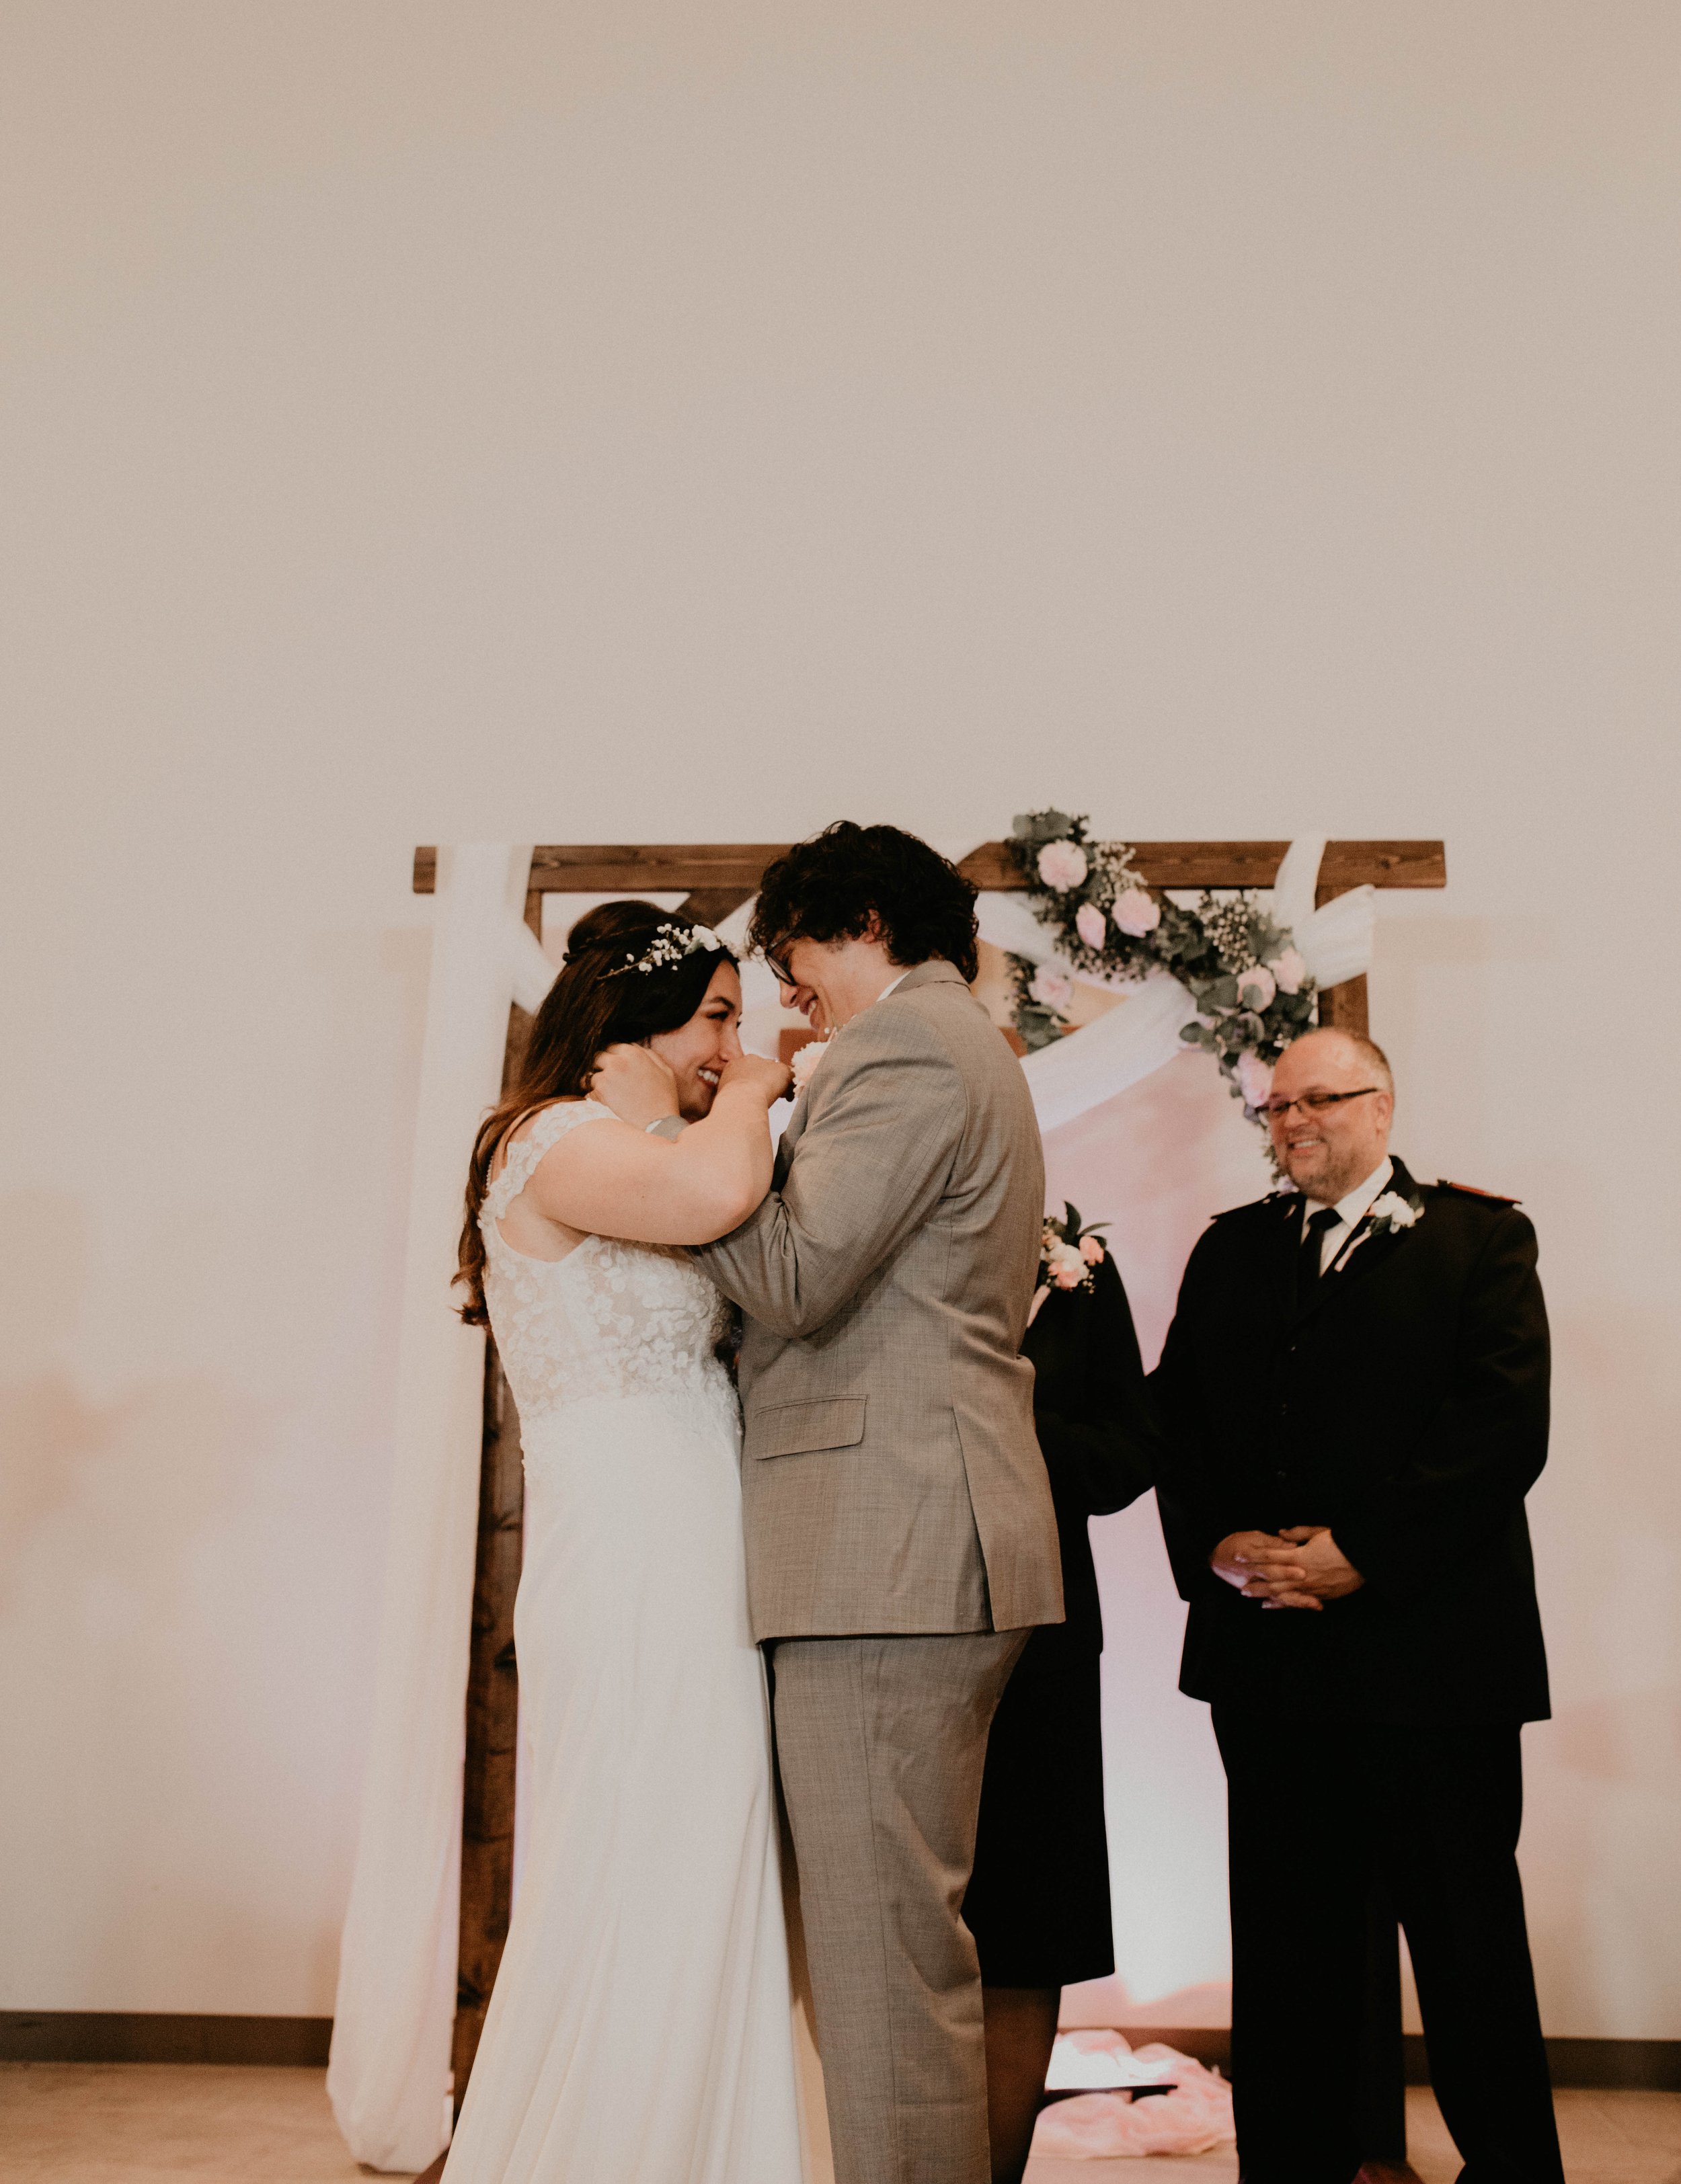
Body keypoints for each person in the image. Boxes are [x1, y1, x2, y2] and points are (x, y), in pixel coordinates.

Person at [601, 823, 1064, 2184]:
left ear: (859, 917)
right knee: (883, 1949)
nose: (784, 989)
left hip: (892, 1545)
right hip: (904, 1540)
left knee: (881, 1963)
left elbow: (799, 1275)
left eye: (791, 952)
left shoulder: (909, 1045)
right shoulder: (936, 1044)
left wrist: (693, 1138)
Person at [1150, 1025, 1563, 2184]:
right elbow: (1176, 1420)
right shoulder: (1230, 1250)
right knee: (1288, 1955)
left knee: (1468, 1944)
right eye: (1277, 1108)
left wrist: (1360, 1554)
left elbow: (1498, 1434)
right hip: (1273, 1668)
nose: (1295, 1124)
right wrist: (1217, 1541)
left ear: (1384, 1107)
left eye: (1321, 1101)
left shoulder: (1482, 1239)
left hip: (1435, 1669)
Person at [435, 901, 804, 2184]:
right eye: (715, 1017)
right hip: (633, 1547)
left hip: (699, 1537)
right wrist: (758, 1090)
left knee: (704, 1848)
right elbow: (718, 1187)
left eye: (738, 1029)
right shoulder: (548, 1140)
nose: (727, 1045)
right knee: (641, 1855)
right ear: (637, 1013)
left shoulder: (633, 1141)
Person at [962, 1218, 1156, 2184]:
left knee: (1025, 1922)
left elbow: (1126, 1456)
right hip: (884, 1614)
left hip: (1043, 1642)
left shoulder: (1073, 1259)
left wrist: (1013, 1416)